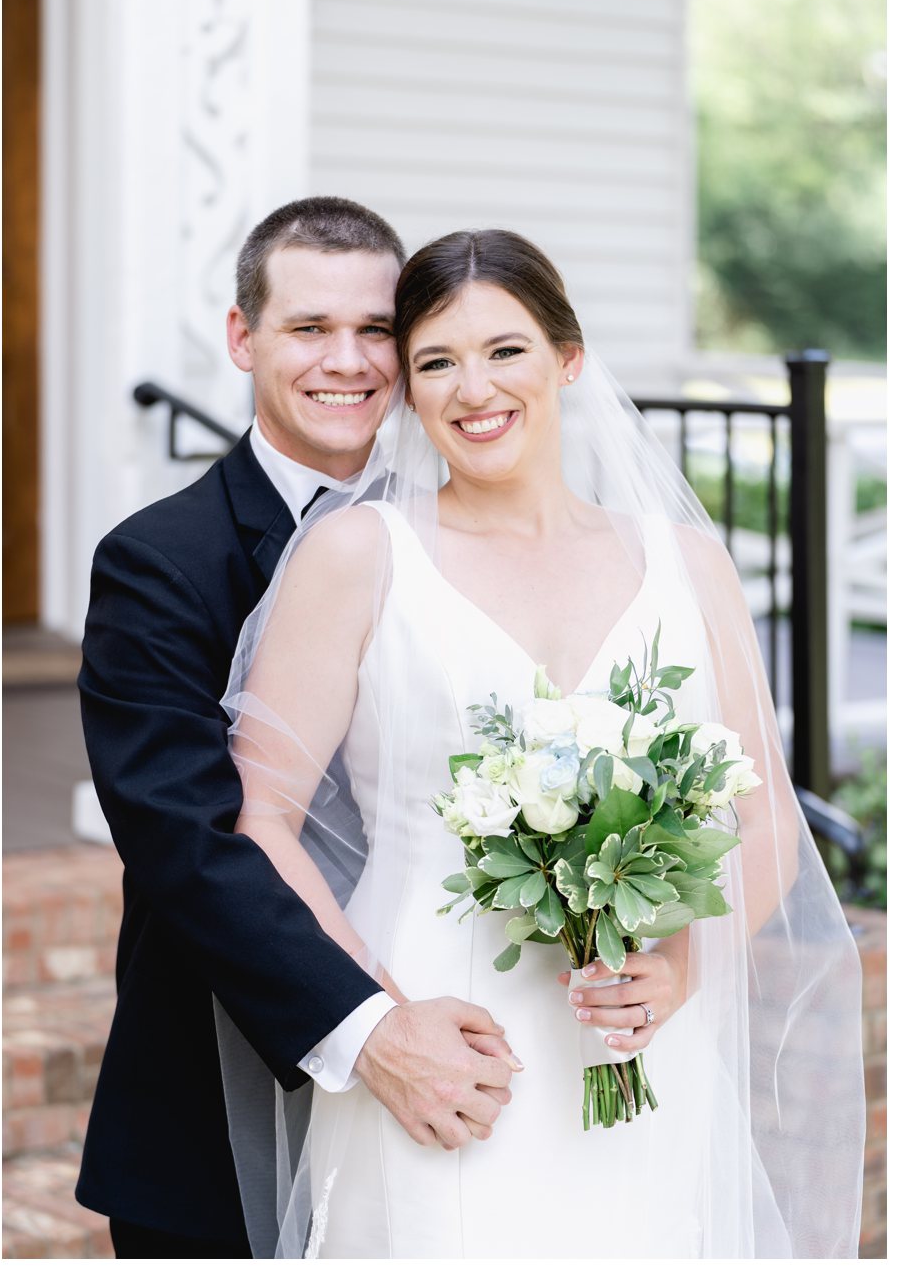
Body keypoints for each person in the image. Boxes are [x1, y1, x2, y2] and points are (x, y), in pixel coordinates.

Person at [221, 229, 863, 1256]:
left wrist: (682, 969)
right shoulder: (358, 556)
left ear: (568, 359)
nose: (473, 388)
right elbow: (260, 821)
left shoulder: (689, 565)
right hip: (446, 1040)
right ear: (408, 389)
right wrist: (383, 1025)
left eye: (505, 350)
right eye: (435, 361)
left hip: (638, 1040)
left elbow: (765, 815)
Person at [76, 198, 522, 1259]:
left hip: (466, 1067)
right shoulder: (159, 562)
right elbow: (192, 840)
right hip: (229, 1096)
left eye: (376, 330)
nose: (350, 361)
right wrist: (374, 1035)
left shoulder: (477, 543)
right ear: (243, 339)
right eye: (309, 329)